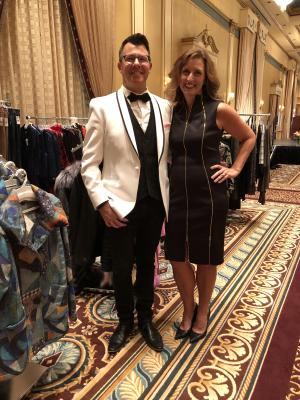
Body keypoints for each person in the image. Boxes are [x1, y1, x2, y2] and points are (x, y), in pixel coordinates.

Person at [81, 33, 171, 353]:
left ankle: (145, 318)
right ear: (120, 65)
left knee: (147, 263)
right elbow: (88, 165)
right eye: (129, 58)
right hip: (117, 205)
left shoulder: (166, 108)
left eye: (142, 58)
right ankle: (124, 321)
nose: (136, 64)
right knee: (120, 266)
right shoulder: (101, 107)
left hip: (154, 202)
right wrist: (102, 204)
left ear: (150, 65)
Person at [165, 47, 256, 343]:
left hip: (209, 196)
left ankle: (202, 312)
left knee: (205, 258)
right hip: (177, 196)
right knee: (177, 257)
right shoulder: (172, 111)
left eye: (197, 73)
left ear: (206, 79)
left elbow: (249, 137)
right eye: (186, 71)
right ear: (179, 74)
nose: (190, 78)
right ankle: (187, 309)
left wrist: (236, 169)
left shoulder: (219, 110)